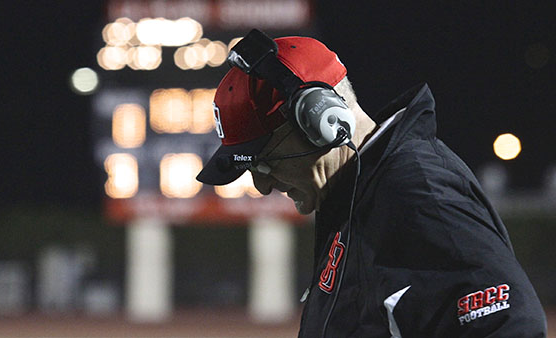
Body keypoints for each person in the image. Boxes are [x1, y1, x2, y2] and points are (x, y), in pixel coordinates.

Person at [196, 29, 547, 337]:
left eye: (265, 162)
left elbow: (510, 327)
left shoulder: (418, 195)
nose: (262, 186)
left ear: (321, 122)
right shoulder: (361, 193)